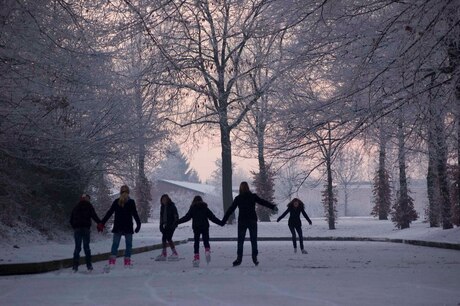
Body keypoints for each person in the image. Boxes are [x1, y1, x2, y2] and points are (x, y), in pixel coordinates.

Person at [221, 181, 278, 266]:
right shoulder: (253, 197)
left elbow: (231, 209)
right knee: (253, 240)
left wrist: (223, 220)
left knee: (240, 241)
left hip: (242, 221)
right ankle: (254, 258)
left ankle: (239, 259)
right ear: (248, 188)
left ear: (240, 188)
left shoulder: (238, 198)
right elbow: (262, 202)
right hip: (252, 220)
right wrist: (273, 206)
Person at [99, 185, 141, 268]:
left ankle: (112, 263)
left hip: (118, 227)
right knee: (128, 245)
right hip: (127, 227)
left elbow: (109, 213)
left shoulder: (117, 201)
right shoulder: (130, 202)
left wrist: (102, 223)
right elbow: (135, 214)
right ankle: (127, 263)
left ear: (120, 192)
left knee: (115, 244)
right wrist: (138, 224)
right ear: (128, 192)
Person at [178, 195, 223, 267]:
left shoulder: (192, 208)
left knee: (196, 242)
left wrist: (177, 222)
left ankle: (196, 258)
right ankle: (207, 251)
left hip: (196, 227)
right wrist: (221, 223)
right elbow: (212, 217)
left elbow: (186, 217)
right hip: (205, 226)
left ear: (194, 201)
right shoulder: (205, 208)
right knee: (206, 240)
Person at [69, 194, 102, 272]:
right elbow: (94, 216)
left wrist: (75, 226)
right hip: (86, 229)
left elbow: (71, 219)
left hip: (77, 229)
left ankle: (75, 266)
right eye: (88, 198)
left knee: (77, 247)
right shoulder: (89, 206)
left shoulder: (76, 207)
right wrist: (100, 223)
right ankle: (89, 266)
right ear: (86, 199)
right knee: (86, 247)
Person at [155, 194, 179, 261]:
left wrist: (175, 224)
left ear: (168, 199)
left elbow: (176, 215)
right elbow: (161, 217)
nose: (164, 201)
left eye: (165, 199)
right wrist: (161, 225)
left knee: (168, 238)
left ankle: (174, 253)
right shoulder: (162, 207)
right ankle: (164, 253)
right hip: (165, 225)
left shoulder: (172, 206)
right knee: (164, 238)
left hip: (171, 224)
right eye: (162, 200)